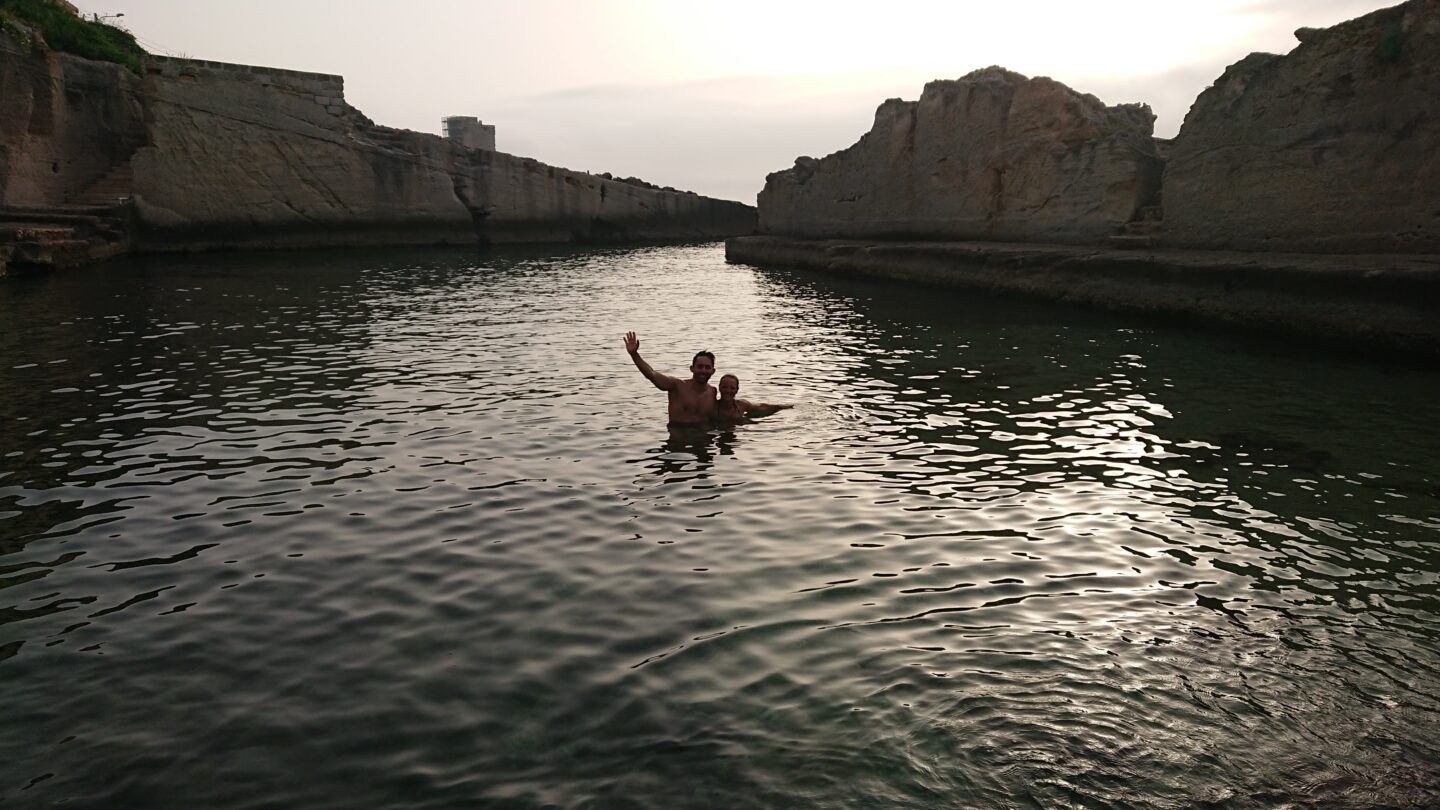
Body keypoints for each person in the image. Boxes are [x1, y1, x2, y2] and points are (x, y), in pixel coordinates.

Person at [624, 331, 717, 427]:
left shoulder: (712, 392)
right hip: (679, 435)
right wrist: (634, 354)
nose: (703, 370)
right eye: (700, 366)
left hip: (703, 435)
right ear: (692, 368)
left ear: (713, 371)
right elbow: (651, 374)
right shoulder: (677, 386)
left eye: (707, 367)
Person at [714, 373, 792, 423]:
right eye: (724, 387)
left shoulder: (741, 405)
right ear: (719, 387)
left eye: (732, 388)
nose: (728, 391)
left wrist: (780, 407)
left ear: (737, 390)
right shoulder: (712, 407)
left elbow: (761, 407)